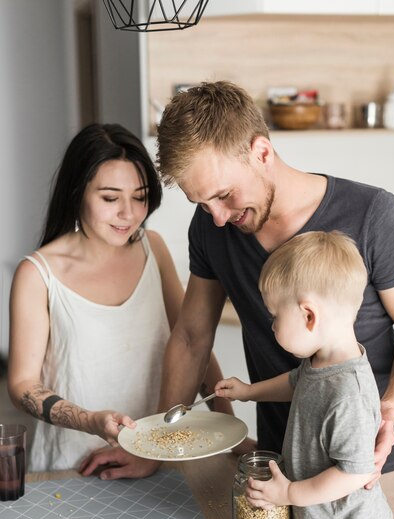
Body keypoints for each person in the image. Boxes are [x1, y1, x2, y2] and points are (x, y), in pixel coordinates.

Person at [155, 80, 394, 519]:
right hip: (285, 469)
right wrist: (160, 443)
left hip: (381, 469)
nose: (219, 217)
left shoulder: (372, 215)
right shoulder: (211, 229)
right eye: (200, 203)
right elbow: (189, 335)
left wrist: (386, 412)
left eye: (224, 195)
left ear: (262, 151)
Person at [7, 122, 232, 475]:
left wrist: (226, 428)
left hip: (154, 457)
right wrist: (90, 420)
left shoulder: (152, 248)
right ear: (78, 192)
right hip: (71, 465)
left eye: (140, 197)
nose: (128, 213)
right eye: (110, 198)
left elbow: (191, 339)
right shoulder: (37, 274)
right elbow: (21, 385)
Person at [215, 230, 393, 519]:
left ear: (308, 315)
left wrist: (289, 494)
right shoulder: (323, 361)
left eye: (275, 317)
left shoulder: (349, 394)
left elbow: (355, 473)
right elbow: (298, 382)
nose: (272, 326)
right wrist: (250, 392)